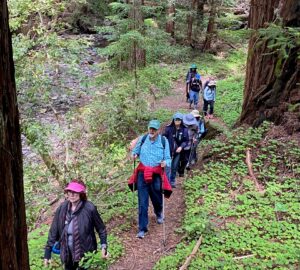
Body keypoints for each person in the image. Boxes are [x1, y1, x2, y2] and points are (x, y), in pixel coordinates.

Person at [44, 179, 108, 270]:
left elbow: (101, 229)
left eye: (75, 192)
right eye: (70, 191)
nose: (72, 194)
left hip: (85, 253)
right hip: (67, 254)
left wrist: (104, 247)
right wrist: (47, 252)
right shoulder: (62, 208)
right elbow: (53, 231)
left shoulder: (90, 208)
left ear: (81, 193)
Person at [129, 120, 172, 239]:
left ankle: (158, 212)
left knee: (157, 196)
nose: (152, 131)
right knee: (142, 203)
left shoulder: (164, 141)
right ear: (148, 128)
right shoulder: (143, 139)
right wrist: (134, 155)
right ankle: (142, 228)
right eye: (150, 128)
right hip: (142, 174)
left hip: (156, 174)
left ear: (158, 130)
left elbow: (168, 158)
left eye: (154, 129)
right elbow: (135, 151)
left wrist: (165, 162)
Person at [163, 112, 189, 188]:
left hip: (178, 151)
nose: (177, 121)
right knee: (168, 166)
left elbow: (186, 141)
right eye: (176, 120)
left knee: (174, 166)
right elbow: (164, 138)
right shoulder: (168, 128)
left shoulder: (185, 129)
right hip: (168, 151)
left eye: (179, 120)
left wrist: (181, 147)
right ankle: (166, 181)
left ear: (181, 121)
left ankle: (172, 180)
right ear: (173, 120)